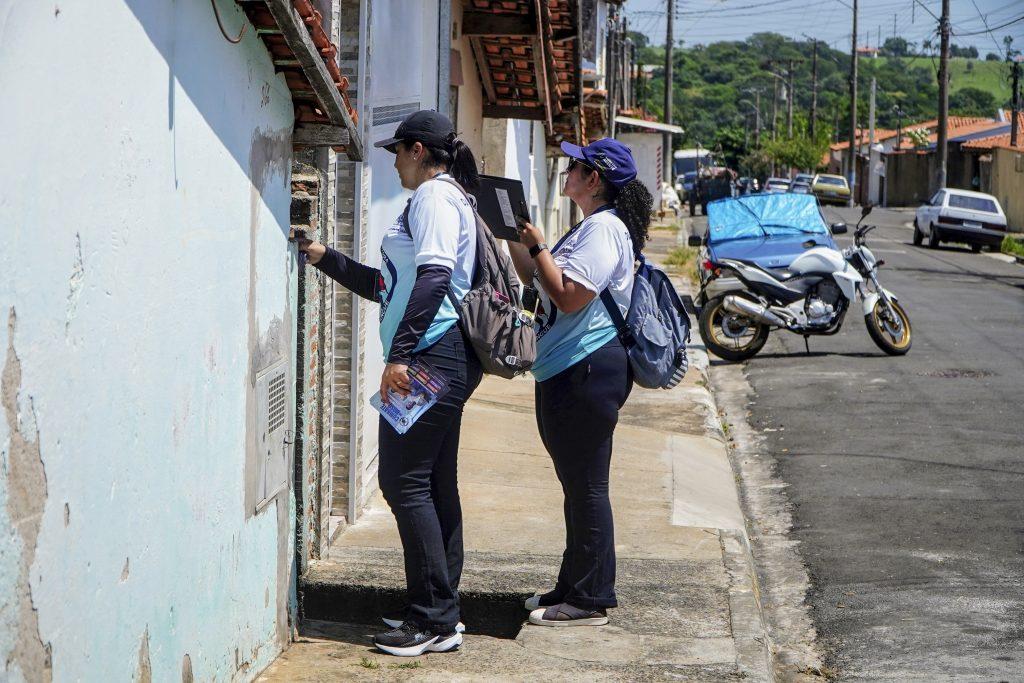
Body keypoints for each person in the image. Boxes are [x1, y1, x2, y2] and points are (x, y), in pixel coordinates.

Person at [292, 110, 482, 656]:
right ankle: (440, 609)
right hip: (441, 354)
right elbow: (387, 285)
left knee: (404, 484)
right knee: (432, 483)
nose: (395, 162)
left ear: (419, 150)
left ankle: (434, 619)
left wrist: (399, 355)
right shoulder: (443, 199)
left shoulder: (435, 198)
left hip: (432, 356)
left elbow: (435, 276)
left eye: (398, 152)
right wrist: (324, 256)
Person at [506, 138, 653, 626]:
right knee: (575, 485)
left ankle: (591, 599)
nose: (566, 170)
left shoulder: (605, 230)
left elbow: (569, 297)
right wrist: (514, 234)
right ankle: (572, 584)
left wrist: (541, 244)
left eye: (576, 166)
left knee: (588, 487)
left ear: (595, 179)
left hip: (589, 369)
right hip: (567, 368)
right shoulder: (587, 228)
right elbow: (538, 278)